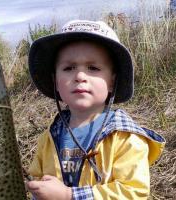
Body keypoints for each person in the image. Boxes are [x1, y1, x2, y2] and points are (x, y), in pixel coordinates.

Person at [26, 19, 165, 200]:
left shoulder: (125, 137)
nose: (80, 76)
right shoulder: (49, 137)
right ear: (55, 82)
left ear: (112, 82)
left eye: (93, 68)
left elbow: (133, 192)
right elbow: (36, 177)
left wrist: (69, 195)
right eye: (69, 68)